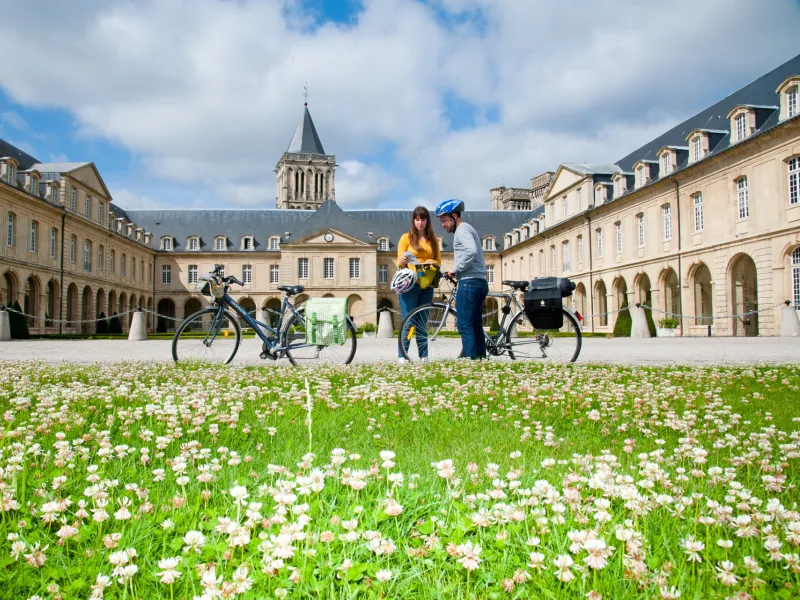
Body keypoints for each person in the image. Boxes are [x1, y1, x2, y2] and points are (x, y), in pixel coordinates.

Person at [435, 198, 488, 360]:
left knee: (465, 325)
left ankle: (470, 363)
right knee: (476, 325)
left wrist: (455, 269)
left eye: (444, 221)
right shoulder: (467, 229)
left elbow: (470, 251)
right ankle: (480, 360)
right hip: (479, 281)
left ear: (455, 216)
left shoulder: (462, 230)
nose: (443, 225)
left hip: (469, 282)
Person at [396, 206, 441, 362]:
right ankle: (403, 356)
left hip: (427, 284)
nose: (420, 222)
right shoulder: (406, 238)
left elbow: (439, 261)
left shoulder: (433, 240)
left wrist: (431, 262)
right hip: (410, 284)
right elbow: (399, 262)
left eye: (423, 219)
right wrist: (401, 261)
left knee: (422, 322)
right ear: (413, 221)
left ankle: (424, 356)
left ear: (427, 220)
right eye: (417, 219)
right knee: (409, 322)